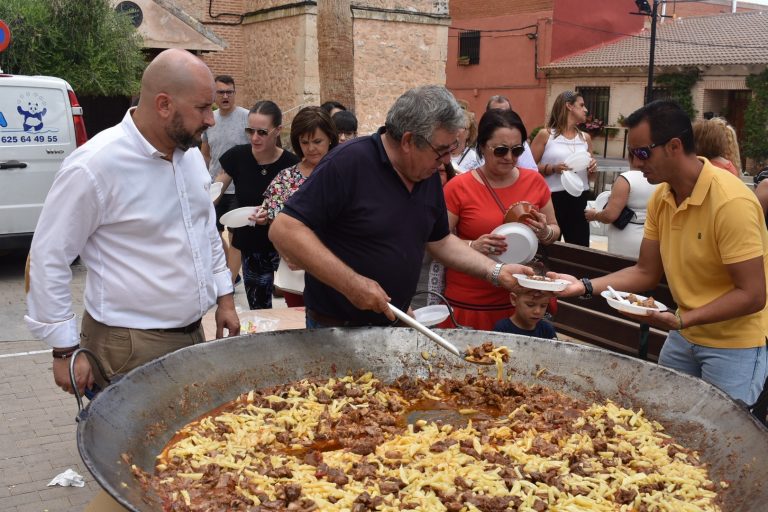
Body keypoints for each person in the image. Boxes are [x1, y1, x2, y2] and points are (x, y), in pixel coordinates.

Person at [24, 49, 240, 395]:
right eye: (202, 108)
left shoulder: (190, 158)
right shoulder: (95, 165)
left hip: (192, 334)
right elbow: (48, 258)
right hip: (127, 348)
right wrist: (64, 350)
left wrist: (225, 298)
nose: (211, 119)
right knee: (131, 448)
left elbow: (205, 231)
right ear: (164, 104)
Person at [556, 100, 768, 405]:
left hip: (732, 344)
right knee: (664, 420)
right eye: (632, 154)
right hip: (684, 332)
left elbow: (752, 294)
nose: (635, 163)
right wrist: (584, 286)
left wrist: (683, 320)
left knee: (721, 435)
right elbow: (646, 271)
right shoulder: (662, 197)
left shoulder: (731, 202)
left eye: (642, 153)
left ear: (674, 146)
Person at [269, 85, 535, 327]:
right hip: (337, 325)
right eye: (440, 150)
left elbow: (440, 241)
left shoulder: (426, 173)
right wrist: (352, 284)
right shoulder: (349, 162)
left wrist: (497, 271)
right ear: (408, 141)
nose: (445, 161)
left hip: (396, 321)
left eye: (451, 150)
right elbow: (285, 229)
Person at [442, 109, 561, 330]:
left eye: (517, 150)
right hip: (471, 299)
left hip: (520, 301)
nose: (509, 157)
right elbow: (438, 240)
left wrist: (545, 232)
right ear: (482, 146)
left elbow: (555, 230)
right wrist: (473, 245)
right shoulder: (458, 187)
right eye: (500, 150)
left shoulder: (535, 182)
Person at [215, 101, 299, 310]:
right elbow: (217, 188)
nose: (254, 138)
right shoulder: (238, 156)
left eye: (262, 132)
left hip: (285, 247)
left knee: (295, 306)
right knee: (259, 309)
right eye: (249, 131)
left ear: (277, 130)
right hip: (252, 247)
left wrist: (273, 217)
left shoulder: (291, 163)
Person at [260, 106, 339, 307]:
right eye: (305, 142)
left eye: (317, 141)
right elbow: (275, 225)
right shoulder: (285, 178)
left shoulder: (344, 173)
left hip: (339, 270)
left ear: (330, 138)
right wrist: (286, 253)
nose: (311, 148)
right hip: (296, 274)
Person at [530, 90, 598, 247]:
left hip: (579, 197)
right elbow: (528, 169)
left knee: (579, 247)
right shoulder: (546, 135)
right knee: (548, 246)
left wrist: (592, 169)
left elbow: (590, 178)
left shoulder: (585, 138)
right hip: (551, 199)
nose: (586, 109)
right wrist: (552, 168)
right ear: (569, 106)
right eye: (581, 105)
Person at [201, 75, 250, 286]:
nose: (225, 96)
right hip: (215, 187)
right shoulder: (209, 119)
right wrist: (204, 178)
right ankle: (232, 274)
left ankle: (229, 281)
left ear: (235, 93)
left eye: (229, 91)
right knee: (211, 230)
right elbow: (205, 153)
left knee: (236, 235)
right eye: (221, 92)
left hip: (239, 187)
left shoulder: (247, 118)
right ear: (214, 96)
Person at [584, 170, 657, 258]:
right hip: (650, 234)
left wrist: (595, 215)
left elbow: (609, 216)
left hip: (624, 236)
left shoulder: (626, 179)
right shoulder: (658, 177)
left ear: (631, 157)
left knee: (620, 267)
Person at [485, 94, 538, 170]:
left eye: (506, 112)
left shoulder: (519, 143)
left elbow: (531, 171)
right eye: (496, 113)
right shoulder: (478, 140)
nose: (501, 117)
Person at [493, 290, 558, 339]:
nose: (537, 311)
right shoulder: (502, 328)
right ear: (514, 299)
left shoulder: (547, 330)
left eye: (543, 306)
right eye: (530, 305)